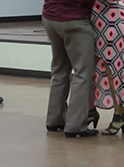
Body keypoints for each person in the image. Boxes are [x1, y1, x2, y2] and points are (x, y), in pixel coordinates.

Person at [42, 0, 99, 138]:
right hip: (74, 18)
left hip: (50, 17)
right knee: (83, 72)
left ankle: (54, 120)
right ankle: (76, 125)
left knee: (59, 70)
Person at [91, 0, 124, 135]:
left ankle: (119, 114)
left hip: (112, 13)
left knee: (114, 67)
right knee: (93, 67)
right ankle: (90, 110)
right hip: (96, 14)